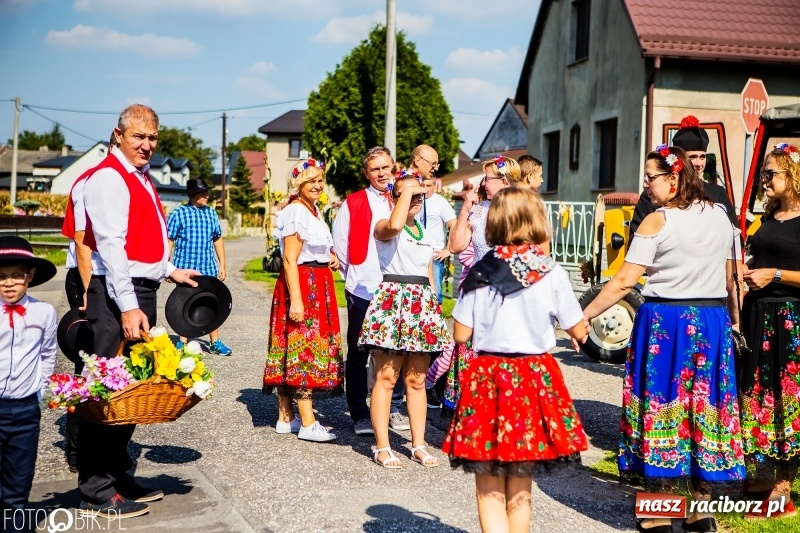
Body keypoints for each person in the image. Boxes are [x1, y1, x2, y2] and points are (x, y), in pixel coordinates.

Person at [582, 145, 744, 533]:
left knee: (663, 406)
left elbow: (623, 281)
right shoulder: (722, 216)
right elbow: (731, 278)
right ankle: (700, 511)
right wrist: (734, 323)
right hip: (711, 322)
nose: (646, 184)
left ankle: (658, 512)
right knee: (702, 409)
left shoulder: (657, 220)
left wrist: (581, 315)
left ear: (673, 179)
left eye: (650, 176)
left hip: (667, 323)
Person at [442, 188, 589, 533]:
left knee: (488, 486)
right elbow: (577, 327)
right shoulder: (551, 272)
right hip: (533, 377)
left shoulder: (481, 272)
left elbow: (461, 335)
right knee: (521, 487)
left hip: (489, 376)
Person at [79, 104, 199, 519]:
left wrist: (170, 270)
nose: (147, 145)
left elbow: (142, 243)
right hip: (115, 295)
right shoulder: (109, 179)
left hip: (136, 289)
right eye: (138, 137)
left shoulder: (140, 178)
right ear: (118, 135)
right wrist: (128, 306)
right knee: (106, 392)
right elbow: (111, 249)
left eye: (152, 138)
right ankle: (96, 488)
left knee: (131, 390)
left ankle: (117, 474)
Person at [358, 175, 451, 468]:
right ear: (393, 197)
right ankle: (382, 445)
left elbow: (426, 270)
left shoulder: (425, 230)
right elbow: (395, 226)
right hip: (393, 299)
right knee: (386, 378)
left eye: (419, 196)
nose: (416, 200)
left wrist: (433, 306)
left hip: (420, 302)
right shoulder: (383, 224)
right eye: (408, 195)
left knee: (416, 380)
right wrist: (409, 190)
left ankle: (418, 444)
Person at [737, 143, 800, 519]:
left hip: (791, 320)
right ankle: (761, 477)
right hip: (759, 317)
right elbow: (757, 255)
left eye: (770, 173)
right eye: (763, 173)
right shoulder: (768, 217)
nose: (764, 180)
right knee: (760, 394)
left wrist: (773, 274)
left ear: (792, 176)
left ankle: (784, 487)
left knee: (789, 400)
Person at [262, 159, 342, 443]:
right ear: (299, 184)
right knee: (304, 345)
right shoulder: (297, 210)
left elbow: (310, 249)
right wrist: (297, 300)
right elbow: (289, 258)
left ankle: (286, 417)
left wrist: (328, 257)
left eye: (320, 180)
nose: (318, 186)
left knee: (292, 343)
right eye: (312, 181)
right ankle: (308, 422)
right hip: (304, 285)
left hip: (314, 280)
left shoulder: (311, 210)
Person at [332, 146, 409, 435]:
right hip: (363, 285)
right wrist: (354, 274)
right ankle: (359, 413)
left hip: (397, 284)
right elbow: (340, 245)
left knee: (394, 350)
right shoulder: (353, 202)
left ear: (393, 168)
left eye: (385, 167)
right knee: (359, 351)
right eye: (375, 169)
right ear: (367, 173)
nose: (381, 173)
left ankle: (391, 408)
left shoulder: (402, 198)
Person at [60, 133, 116, 473]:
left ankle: (108, 446)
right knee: (90, 366)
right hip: (87, 277)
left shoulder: (124, 181)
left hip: (112, 278)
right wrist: (85, 291)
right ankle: (79, 450)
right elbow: (82, 244)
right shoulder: (91, 181)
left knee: (116, 365)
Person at [0, 237, 57, 530]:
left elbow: (48, 355)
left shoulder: (44, 313)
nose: (9, 283)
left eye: (16, 275)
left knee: (19, 478)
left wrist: (40, 391)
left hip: (25, 410)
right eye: (1, 276)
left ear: (30, 276)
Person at [630, 115, 737, 235]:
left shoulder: (717, 194)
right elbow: (637, 239)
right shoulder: (653, 195)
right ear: (680, 160)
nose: (699, 164)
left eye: (702, 157)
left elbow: (735, 235)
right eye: (692, 157)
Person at [167, 178, 231, 356]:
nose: (207, 196)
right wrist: (167, 265)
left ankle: (215, 342)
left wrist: (222, 264)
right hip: (185, 268)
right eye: (203, 194)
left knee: (211, 302)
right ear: (193, 195)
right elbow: (169, 239)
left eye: (207, 193)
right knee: (184, 303)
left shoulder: (211, 213)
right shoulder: (179, 213)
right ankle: (182, 342)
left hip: (207, 266)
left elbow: (217, 238)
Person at [409, 145, 455, 304]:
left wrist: (448, 250)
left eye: (437, 164)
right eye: (432, 163)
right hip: (411, 255)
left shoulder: (440, 202)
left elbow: (453, 225)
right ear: (417, 160)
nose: (435, 168)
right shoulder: (407, 186)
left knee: (433, 297)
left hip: (433, 255)